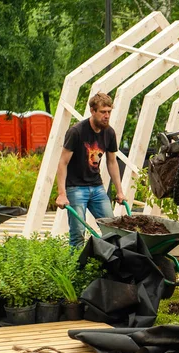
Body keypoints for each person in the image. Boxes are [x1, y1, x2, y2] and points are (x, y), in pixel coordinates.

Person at [56, 92, 126, 247]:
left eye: (109, 112)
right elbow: (62, 163)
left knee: (112, 229)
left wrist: (120, 191)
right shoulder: (76, 132)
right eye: (103, 112)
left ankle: (108, 266)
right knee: (78, 233)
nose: (107, 116)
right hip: (75, 188)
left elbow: (112, 162)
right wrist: (62, 194)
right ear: (93, 111)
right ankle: (76, 269)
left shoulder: (109, 132)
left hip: (97, 187)